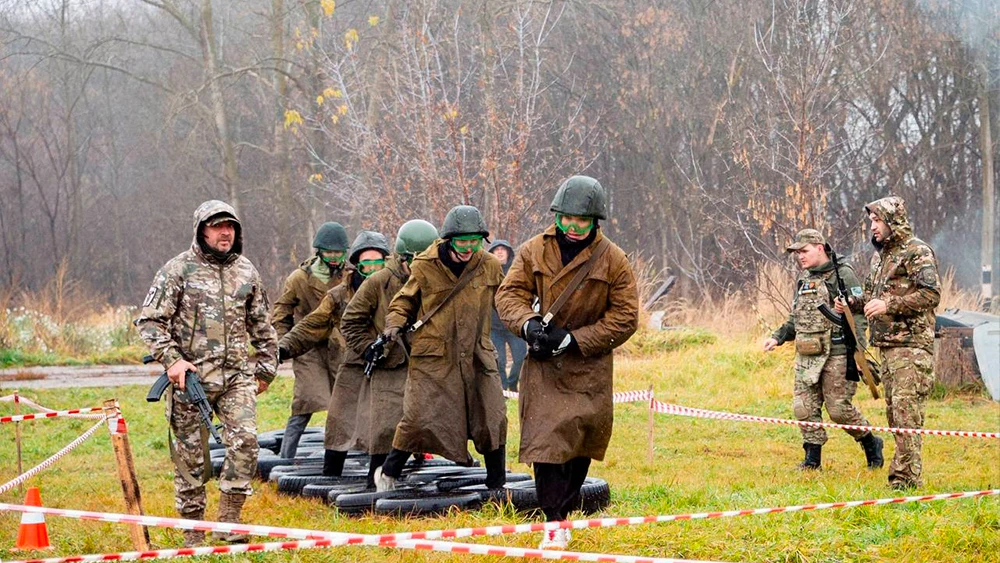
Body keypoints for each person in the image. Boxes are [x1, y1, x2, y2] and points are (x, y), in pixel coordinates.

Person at [495, 175, 638, 550]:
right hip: (543, 364)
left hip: (587, 365)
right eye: (565, 218)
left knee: (579, 445)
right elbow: (509, 293)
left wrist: (574, 340)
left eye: (581, 220)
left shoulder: (614, 259)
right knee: (546, 442)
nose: (572, 227)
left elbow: (625, 317)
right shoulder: (532, 251)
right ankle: (553, 519)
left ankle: (565, 508)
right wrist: (527, 325)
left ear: (596, 222)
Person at [135, 200, 277, 547]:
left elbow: (263, 326)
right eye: (217, 226)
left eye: (230, 226)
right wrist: (172, 361)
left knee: (245, 442)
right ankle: (193, 534)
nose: (224, 232)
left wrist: (266, 370)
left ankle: (229, 525)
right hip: (190, 379)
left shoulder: (247, 272)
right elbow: (150, 322)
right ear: (202, 230)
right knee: (190, 459)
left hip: (236, 379)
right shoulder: (177, 270)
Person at [373, 205, 508, 493]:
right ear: (448, 239)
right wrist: (393, 326)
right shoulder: (425, 264)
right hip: (434, 357)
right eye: (462, 241)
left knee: (492, 417)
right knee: (419, 418)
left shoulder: (490, 266)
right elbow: (403, 302)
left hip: (477, 355)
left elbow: (507, 301)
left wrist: (525, 325)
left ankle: (497, 485)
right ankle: (387, 474)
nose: (469, 248)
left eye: (475, 241)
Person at [763, 229, 884, 471]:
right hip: (808, 353)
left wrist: (859, 352)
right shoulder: (804, 280)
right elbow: (797, 318)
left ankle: (871, 442)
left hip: (838, 353)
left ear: (820, 248)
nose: (800, 257)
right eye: (797, 253)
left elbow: (858, 315)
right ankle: (811, 460)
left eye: (804, 251)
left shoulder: (843, 274)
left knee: (838, 410)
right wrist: (777, 338)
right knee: (804, 407)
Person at [278, 231, 390, 478]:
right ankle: (330, 477)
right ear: (357, 264)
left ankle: (381, 481)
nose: (372, 268)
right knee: (339, 421)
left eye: (377, 262)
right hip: (352, 361)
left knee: (385, 423)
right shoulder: (340, 293)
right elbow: (313, 322)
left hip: (390, 364)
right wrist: (282, 347)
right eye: (366, 263)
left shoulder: (397, 288)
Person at [341, 219, 439, 486]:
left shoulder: (439, 280)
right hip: (389, 364)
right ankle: (374, 488)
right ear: (402, 257)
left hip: (426, 362)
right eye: (413, 261)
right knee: (385, 428)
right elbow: (350, 322)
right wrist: (368, 348)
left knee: (423, 422)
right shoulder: (379, 281)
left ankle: (411, 475)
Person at [853, 196, 940, 490]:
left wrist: (888, 304)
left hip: (911, 347)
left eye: (877, 221)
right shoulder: (880, 258)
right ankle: (904, 476)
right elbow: (869, 297)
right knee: (894, 413)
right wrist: (849, 303)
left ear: (892, 221)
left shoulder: (917, 252)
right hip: (887, 346)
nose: (873, 227)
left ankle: (905, 480)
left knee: (906, 413)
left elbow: (931, 295)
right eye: (871, 222)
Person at [271, 222, 349, 458]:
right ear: (319, 252)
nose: (334, 257)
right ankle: (286, 459)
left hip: (341, 349)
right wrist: (286, 344)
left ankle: (350, 456)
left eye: (339, 252)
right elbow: (281, 312)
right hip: (308, 350)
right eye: (329, 252)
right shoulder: (299, 279)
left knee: (348, 405)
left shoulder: (349, 277)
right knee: (305, 403)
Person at [487, 240, 526, 391]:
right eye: (496, 250)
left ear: (509, 252)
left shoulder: (517, 271)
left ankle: (512, 385)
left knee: (520, 358)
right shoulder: (486, 272)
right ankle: (502, 389)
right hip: (494, 327)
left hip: (513, 325)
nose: (500, 252)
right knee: (500, 361)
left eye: (503, 249)